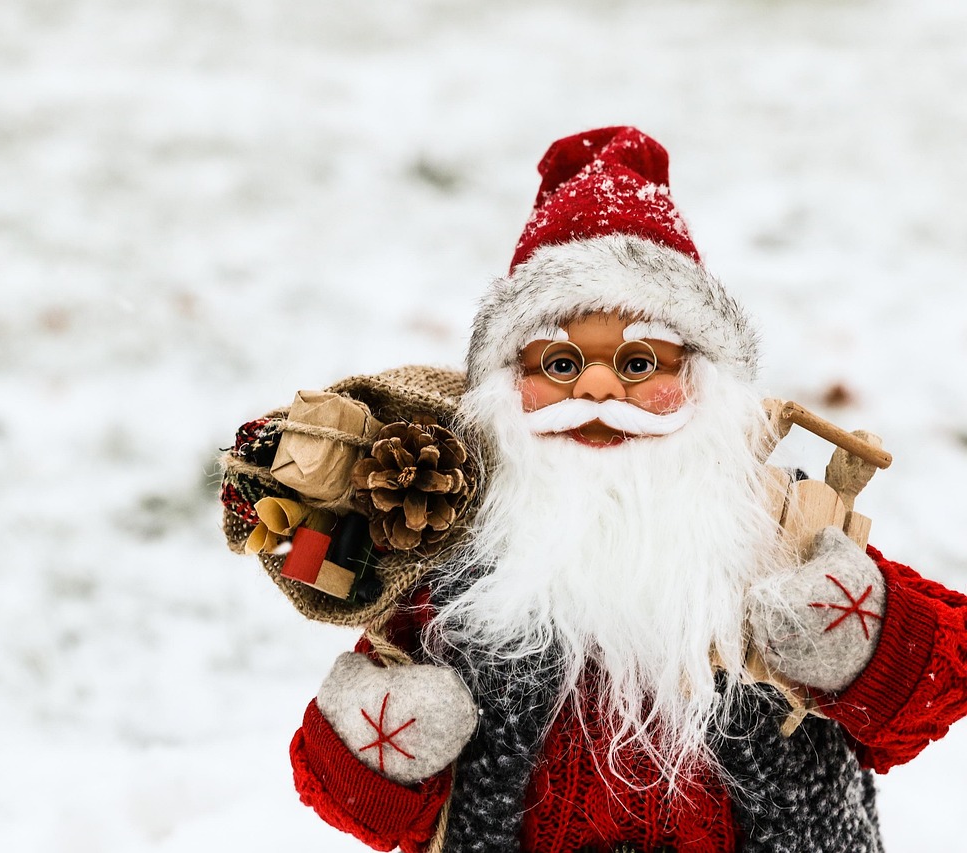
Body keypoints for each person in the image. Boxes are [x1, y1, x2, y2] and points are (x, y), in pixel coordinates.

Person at [287, 127, 967, 852]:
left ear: (705, 385)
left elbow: (933, 683)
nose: (599, 386)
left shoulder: (778, 529)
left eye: (640, 361)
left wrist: (863, 638)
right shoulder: (462, 582)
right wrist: (378, 742)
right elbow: (367, 809)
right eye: (560, 361)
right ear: (505, 391)